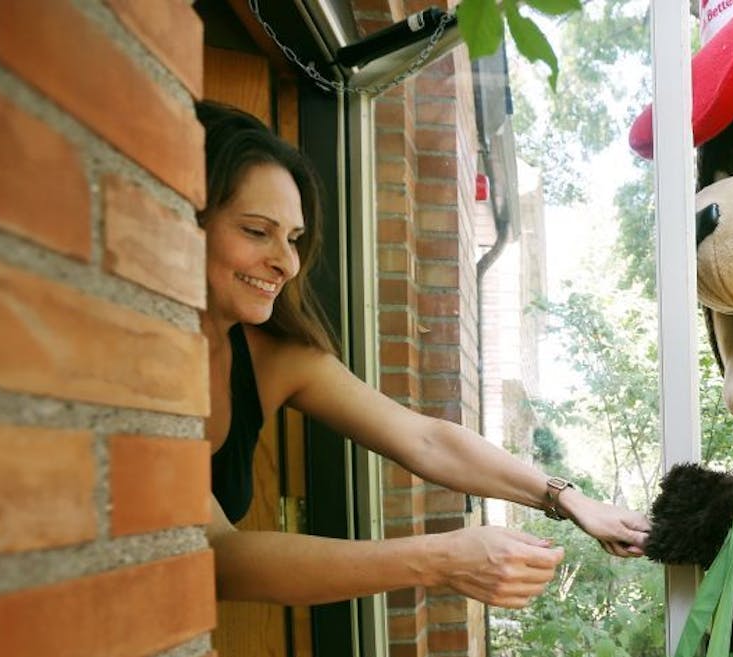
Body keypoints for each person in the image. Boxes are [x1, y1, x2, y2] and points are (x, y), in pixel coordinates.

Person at [199, 100, 648, 608]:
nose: (285, 262)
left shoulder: (272, 358)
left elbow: (426, 440)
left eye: (294, 239)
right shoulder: (140, 358)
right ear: (186, 220)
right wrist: (443, 558)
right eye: (257, 231)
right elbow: (215, 554)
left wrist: (568, 498)